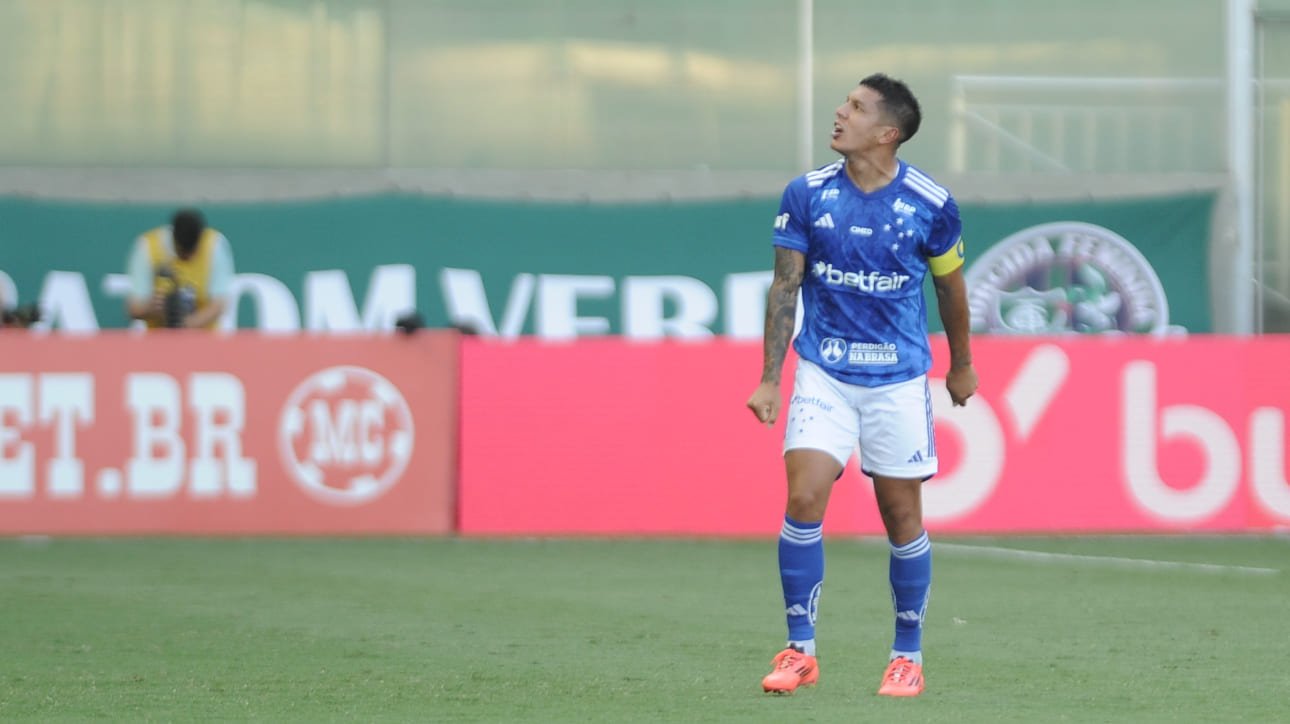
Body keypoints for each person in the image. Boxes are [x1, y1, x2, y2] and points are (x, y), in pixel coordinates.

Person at [746, 73, 978, 698]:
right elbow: (786, 285)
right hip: (823, 371)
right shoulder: (807, 193)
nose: (840, 113)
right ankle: (800, 651)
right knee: (804, 498)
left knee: (901, 517)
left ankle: (907, 656)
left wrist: (960, 364)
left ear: (887, 132)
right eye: (844, 103)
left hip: (897, 380)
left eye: (855, 107)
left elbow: (950, 287)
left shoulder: (931, 203)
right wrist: (770, 378)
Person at [125, 209, 235, 330]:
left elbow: (219, 304)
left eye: (192, 252)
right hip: (160, 337)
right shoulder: (147, 247)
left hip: (205, 336)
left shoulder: (215, 246)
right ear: (173, 238)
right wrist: (150, 308)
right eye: (182, 252)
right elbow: (134, 308)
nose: (187, 257)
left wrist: (185, 325)